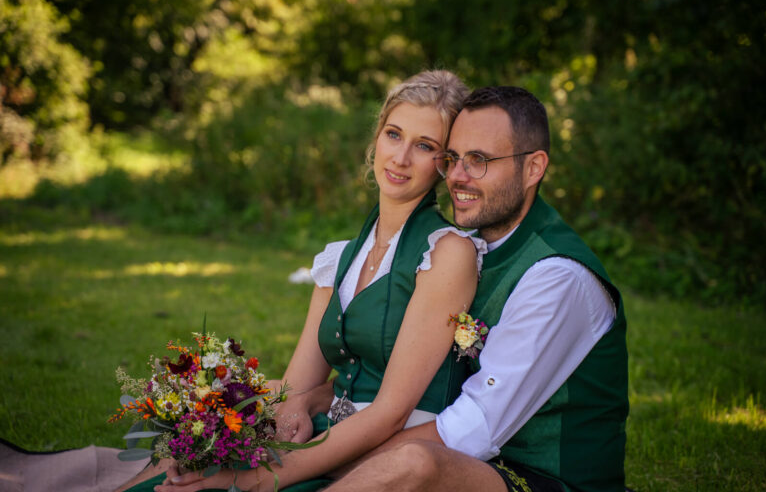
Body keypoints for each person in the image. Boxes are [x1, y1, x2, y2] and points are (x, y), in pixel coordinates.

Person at [238, 86, 628, 492]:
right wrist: (312, 402)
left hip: (541, 478)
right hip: (473, 462)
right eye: (453, 158)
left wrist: (322, 458)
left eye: (479, 160)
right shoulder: (467, 245)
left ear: (533, 168)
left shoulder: (557, 277)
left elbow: (473, 430)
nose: (458, 176)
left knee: (413, 462)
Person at [118, 70, 485, 492]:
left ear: (446, 165)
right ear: (376, 138)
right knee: (177, 464)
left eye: (424, 146)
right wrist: (221, 420)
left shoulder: (445, 253)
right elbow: (298, 387)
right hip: (323, 433)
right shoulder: (342, 257)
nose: (400, 158)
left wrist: (254, 476)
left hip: (383, 455)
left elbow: (391, 413)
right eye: (393, 134)